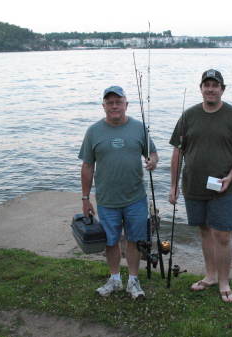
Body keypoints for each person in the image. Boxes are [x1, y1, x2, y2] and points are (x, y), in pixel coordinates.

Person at [169, 69, 232, 303]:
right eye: (206, 85)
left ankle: (224, 282)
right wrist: (173, 186)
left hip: (225, 186)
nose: (210, 89)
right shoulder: (188, 116)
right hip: (193, 185)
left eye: (215, 85)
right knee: (205, 231)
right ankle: (210, 275)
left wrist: (230, 176)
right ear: (201, 88)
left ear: (222, 89)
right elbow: (177, 152)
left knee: (223, 234)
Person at [79, 85, 158, 299]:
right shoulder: (93, 131)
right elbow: (87, 166)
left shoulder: (139, 128)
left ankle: (133, 280)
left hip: (136, 198)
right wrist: (85, 199)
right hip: (106, 199)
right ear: (103, 106)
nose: (114, 106)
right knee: (110, 241)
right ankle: (114, 279)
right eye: (110, 102)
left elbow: (152, 153)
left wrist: (152, 161)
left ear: (126, 104)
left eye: (118, 102)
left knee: (134, 239)